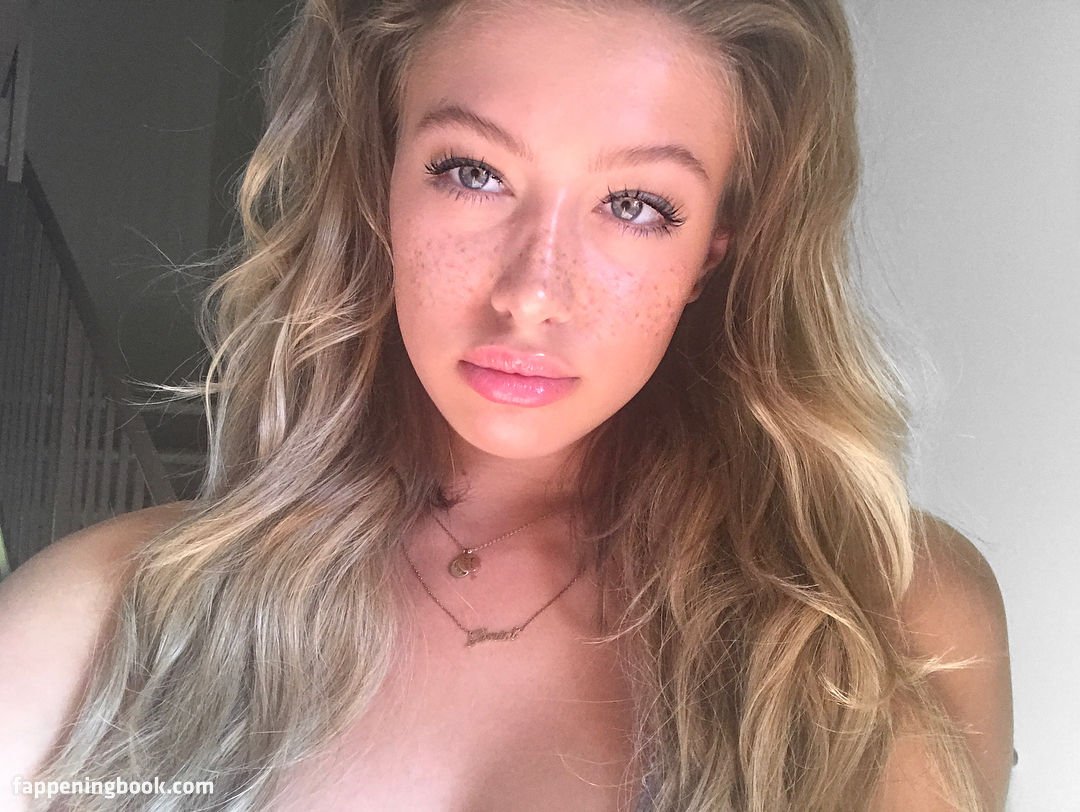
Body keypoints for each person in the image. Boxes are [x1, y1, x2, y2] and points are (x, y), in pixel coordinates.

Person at [0, 0, 1013, 809]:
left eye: (636, 204)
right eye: (472, 172)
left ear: (712, 250)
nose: (532, 293)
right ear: (381, 183)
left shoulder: (887, 618)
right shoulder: (97, 620)